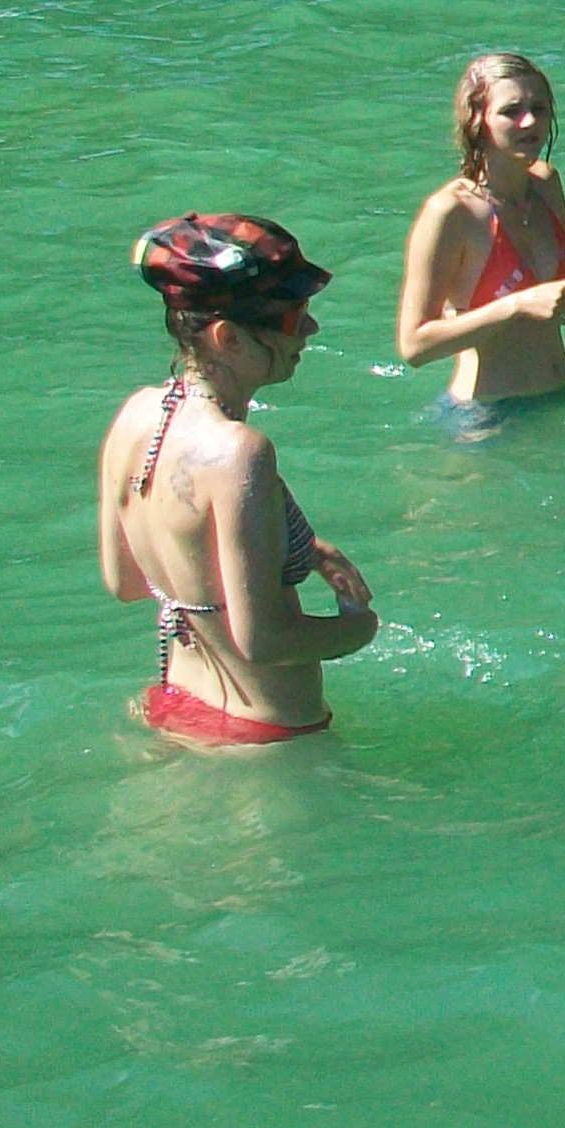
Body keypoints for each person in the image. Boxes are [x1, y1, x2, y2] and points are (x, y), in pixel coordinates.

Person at [98, 215, 377, 745]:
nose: (311, 330)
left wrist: (301, 546)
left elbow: (127, 583)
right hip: (267, 735)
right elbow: (263, 641)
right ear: (227, 338)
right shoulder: (240, 451)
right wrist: (358, 629)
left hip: (177, 706)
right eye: (294, 317)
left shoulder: (136, 415)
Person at [396, 52, 565, 407]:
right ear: (478, 120)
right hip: (489, 415)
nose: (529, 121)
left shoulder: (545, 184)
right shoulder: (452, 212)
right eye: (511, 111)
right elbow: (414, 346)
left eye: (540, 108)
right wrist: (516, 305)